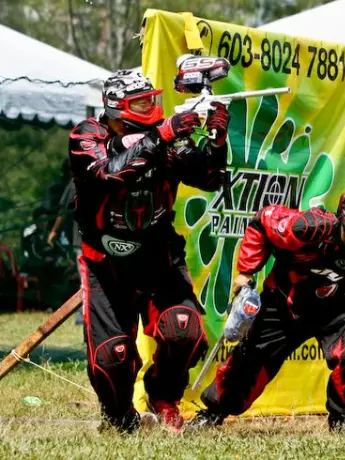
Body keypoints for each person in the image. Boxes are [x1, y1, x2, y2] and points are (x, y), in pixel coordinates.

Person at [69, 69, 229, 432]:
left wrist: (217, 140)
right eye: (141, 102)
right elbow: (109, 172)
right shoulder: (86, 135)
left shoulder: (164, 136)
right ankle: (121, 416)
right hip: (106, 264)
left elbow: (208, 178)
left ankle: (164, 398)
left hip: (159, 258)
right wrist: (164, 134)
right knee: (111, 358)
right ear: (116, 106)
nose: (151, 107)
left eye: (151, 99)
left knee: (183, 330)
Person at [192, 184, 345, 433]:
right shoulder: (308, 227)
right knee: (248, 364)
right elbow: (262, 221)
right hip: (284, 307)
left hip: (337, 310)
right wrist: (246, 271)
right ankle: (213, 413)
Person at [47, 178, 84, 324]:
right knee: (88, 280)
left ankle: (84, 316)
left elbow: (63, 209)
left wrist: (54, 231)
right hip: (89, 240)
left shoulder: (77, 179)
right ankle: (83, 315)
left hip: (87, 241)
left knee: (86, 281)